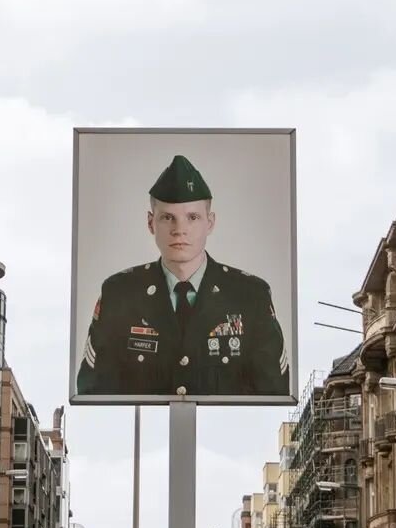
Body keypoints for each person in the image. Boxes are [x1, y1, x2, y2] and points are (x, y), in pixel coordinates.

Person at [75, 154, 290, 398]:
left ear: (210, 223)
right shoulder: (120, 294)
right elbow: (93, 391)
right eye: (168, 218)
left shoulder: (250, 295)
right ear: (150, 223)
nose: (179, 230)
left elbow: (274, 391)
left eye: (192, 217)